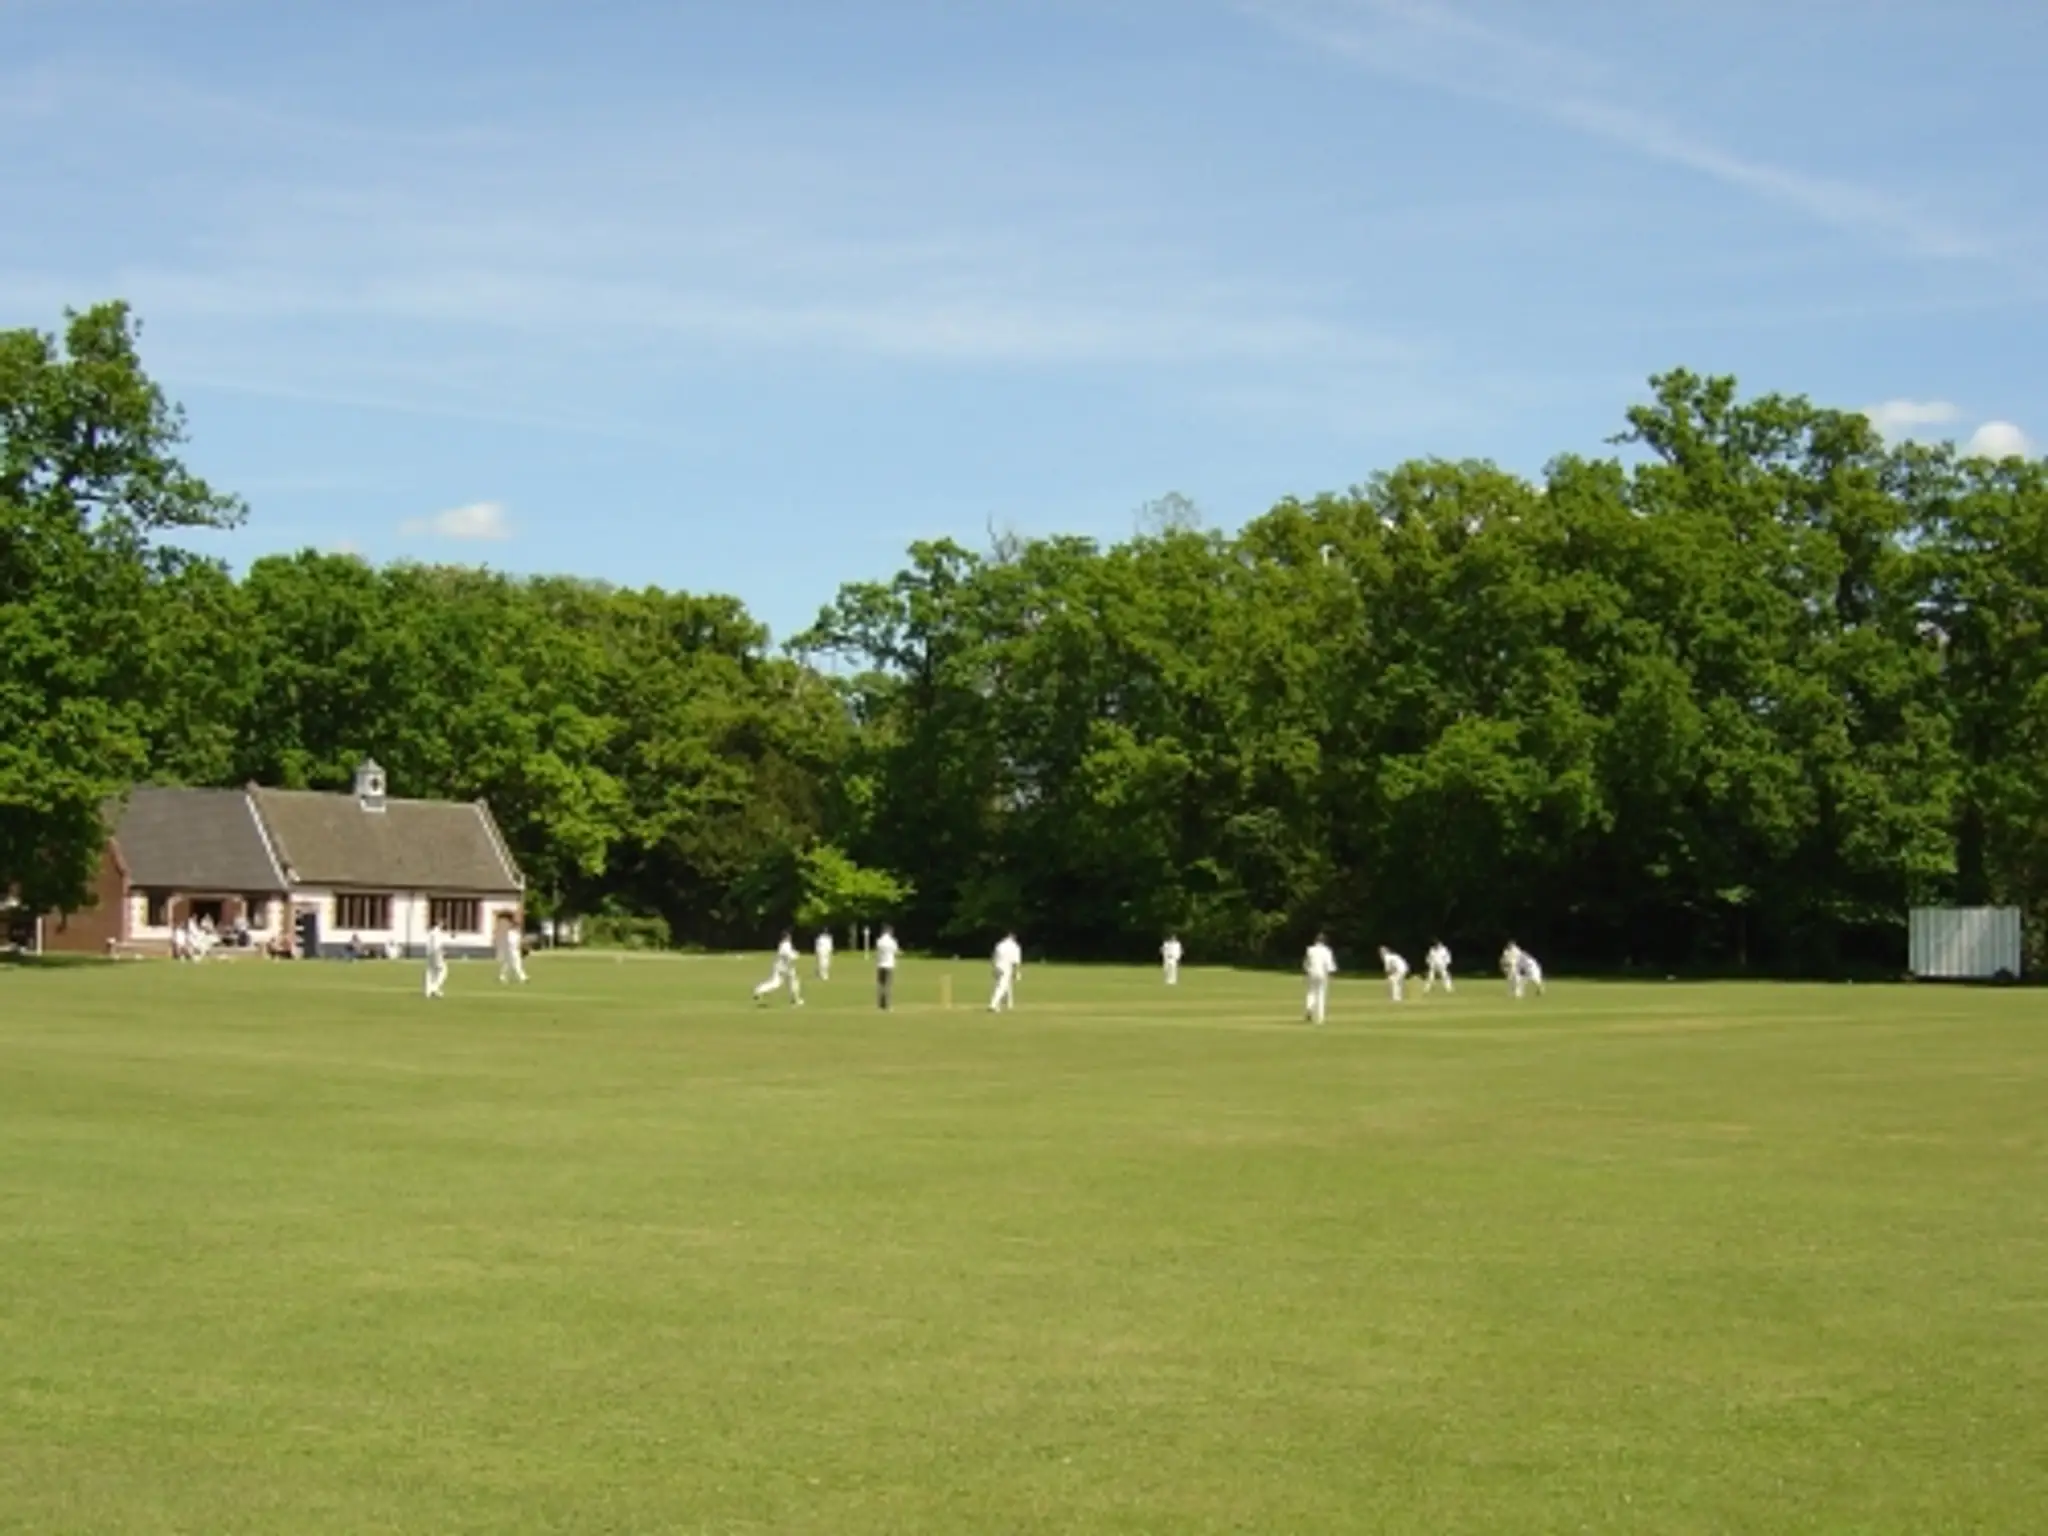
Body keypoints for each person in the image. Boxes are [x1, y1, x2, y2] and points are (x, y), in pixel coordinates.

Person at [753, 931, 805, 1007]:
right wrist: (796, 955)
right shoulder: (786, 945)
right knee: (793, 983)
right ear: (786, 937)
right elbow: (789, 955)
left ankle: (759, 990)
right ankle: (795, 1000)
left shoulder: (783, 945)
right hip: (786, 967)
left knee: (777, 983)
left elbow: (789, 953)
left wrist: (795, 954)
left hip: (780, 966)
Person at [1304, 933, 1337, 1025]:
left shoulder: (1310, 950)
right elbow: (1329, 964)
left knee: (1311, 992)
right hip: (1322, 973)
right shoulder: (1326, 951)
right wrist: (1331, 973)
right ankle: (1320, 1018)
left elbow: (1306, 963)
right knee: (1321, 994)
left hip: (1311, 973)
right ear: (1324, 941)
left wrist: (1306, 971)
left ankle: (1309, 1007)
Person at [989, 932, 1022, 1012]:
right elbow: (1016, 961)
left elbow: (994, 957)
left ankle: (1009, 1003)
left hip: (998, 966)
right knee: (1001, 986)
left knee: (1005, 984)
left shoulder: (1000, 945)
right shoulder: (1015, 947)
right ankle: (993, 1004)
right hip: (1006, 967)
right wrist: (1017, 972)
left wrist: (994, 968)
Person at [495, 916, 528, 985]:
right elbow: (511, 942)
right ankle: (523, 978)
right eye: (517, 926)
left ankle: (502, 976)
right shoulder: (511, 933)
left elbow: (519, 942)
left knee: (508, 964)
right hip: (512, 951)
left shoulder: (517, 934)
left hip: (514, 951)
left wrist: (522, 946)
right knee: (517, 964)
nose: (518, 928)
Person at [874, 924, 899, 1010]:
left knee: (881, 985)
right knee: (888, 985)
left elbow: (877, 951)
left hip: (880, 964)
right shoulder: (892, 941)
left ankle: (881, 1003)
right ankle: (888, 1005)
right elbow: (895, 951)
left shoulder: (879, 941)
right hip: (889, 964)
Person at [423, 922, 448, 999]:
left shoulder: (431, 933)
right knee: (442, 971)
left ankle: (428, 991)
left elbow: (429, 945)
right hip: (435, 953)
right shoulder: (436, 932)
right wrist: (441, 953)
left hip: (429, 953)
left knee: (430, 971)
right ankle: (434, 989)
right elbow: (437, 945)